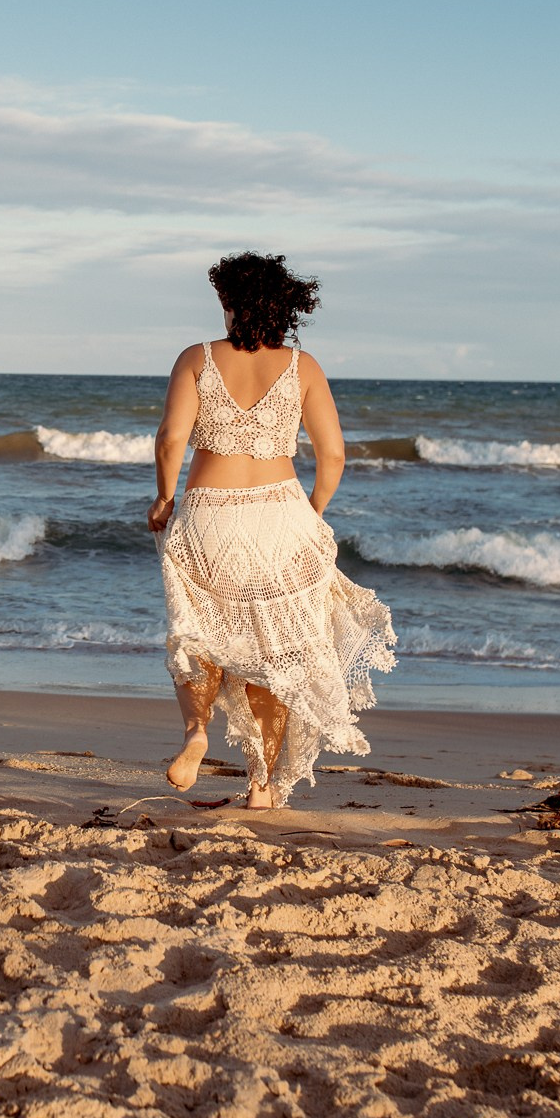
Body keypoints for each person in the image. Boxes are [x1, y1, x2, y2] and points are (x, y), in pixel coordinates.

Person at [149, 252, 395, 809]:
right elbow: (333, 454)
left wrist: (164, 497)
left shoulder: (196, 358)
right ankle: (261, 786)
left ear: (228, 302)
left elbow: (170, 439)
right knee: (275, 651)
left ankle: (195, 733)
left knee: (199, 634)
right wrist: (312, 510)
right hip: (281, 513)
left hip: (210, 510)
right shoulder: (302, 367)